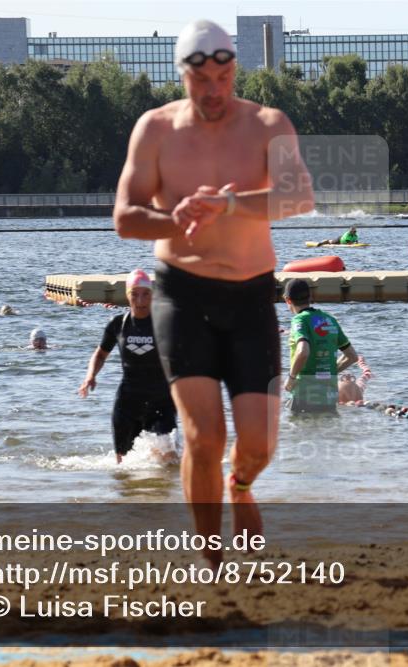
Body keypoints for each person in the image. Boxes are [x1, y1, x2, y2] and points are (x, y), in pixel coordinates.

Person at [112, 18, 314, 563]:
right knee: (203, 437)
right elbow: (126, 218)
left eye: (223, 77)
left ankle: (241, 486)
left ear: (234, 72)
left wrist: (228, 204)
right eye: (201, 80)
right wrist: (174, 220)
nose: (213, 91)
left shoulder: (268, 124)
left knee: (259, 445)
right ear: (182, 75)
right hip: (182, 296)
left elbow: (299, 198)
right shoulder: (155, 129)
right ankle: (211, 561)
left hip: (250, 298)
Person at [78, 270, 177, 464]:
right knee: (123, 465)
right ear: (127, 295)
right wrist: (90, 376)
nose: (140, 300)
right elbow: (100, 354)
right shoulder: (118, 324)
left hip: (161, 401)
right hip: (128, 402)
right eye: (135, 294)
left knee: (168, 460)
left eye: (145, 294)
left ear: (152, 295)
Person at [283, 279, 358, 414]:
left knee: (297, 433)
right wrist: (329, 372)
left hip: (304, 395)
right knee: (326, 433)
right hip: (328, 397)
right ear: (310, 297)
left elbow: (303, 351)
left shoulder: (299, 320)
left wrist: (291, 378)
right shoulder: (330, 319)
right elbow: (352, 356)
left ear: (288, 300)